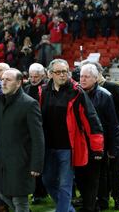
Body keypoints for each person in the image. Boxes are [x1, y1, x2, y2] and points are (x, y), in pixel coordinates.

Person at [40, 59, 103, 212]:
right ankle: (68, 209)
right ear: (50, 74)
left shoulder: (77, 92)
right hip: (48, 146)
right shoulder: (43, 91)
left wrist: (97, 147)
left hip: (68, 148)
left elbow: (91, 120)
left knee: (65, 184)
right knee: (47, 181)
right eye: (58, 72)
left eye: (65, 71)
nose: (63, 75)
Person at [0, 68, 44, 212]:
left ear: (19, 83)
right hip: (3, 160)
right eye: (2, 79)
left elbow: (38, 137)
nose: (3, 83)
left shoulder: (29, 104)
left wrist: (36, 165)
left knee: (19, 199)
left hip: (22, 161)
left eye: (8, 80)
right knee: (4, 194)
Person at [92, 62, 119, 209]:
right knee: (101, 170)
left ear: (98, 73)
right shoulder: (88, 89)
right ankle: (102, 198)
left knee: (115, 170)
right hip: (98, 137)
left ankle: (118, 197)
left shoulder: (112, 87)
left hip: (114, 136)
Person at [79, 64, 119, 212]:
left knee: (100, 175)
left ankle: (102, 201)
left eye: (86, 77)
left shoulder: (105, 95)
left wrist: (113, 147)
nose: (82, 79)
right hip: (82, 143)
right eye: (81, 76)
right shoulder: (76, 93)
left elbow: (113, 124)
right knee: (83, 174)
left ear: (95, 78)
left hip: (100, 143)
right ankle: (88, 200)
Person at [23, 63, 48, 204]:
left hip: (44, 129)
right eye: (31, 76)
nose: (32, 79)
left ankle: (42, 190)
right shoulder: (26, 88)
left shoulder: (46, 89)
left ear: (43, 75)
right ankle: (37, 191)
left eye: (36, 76)